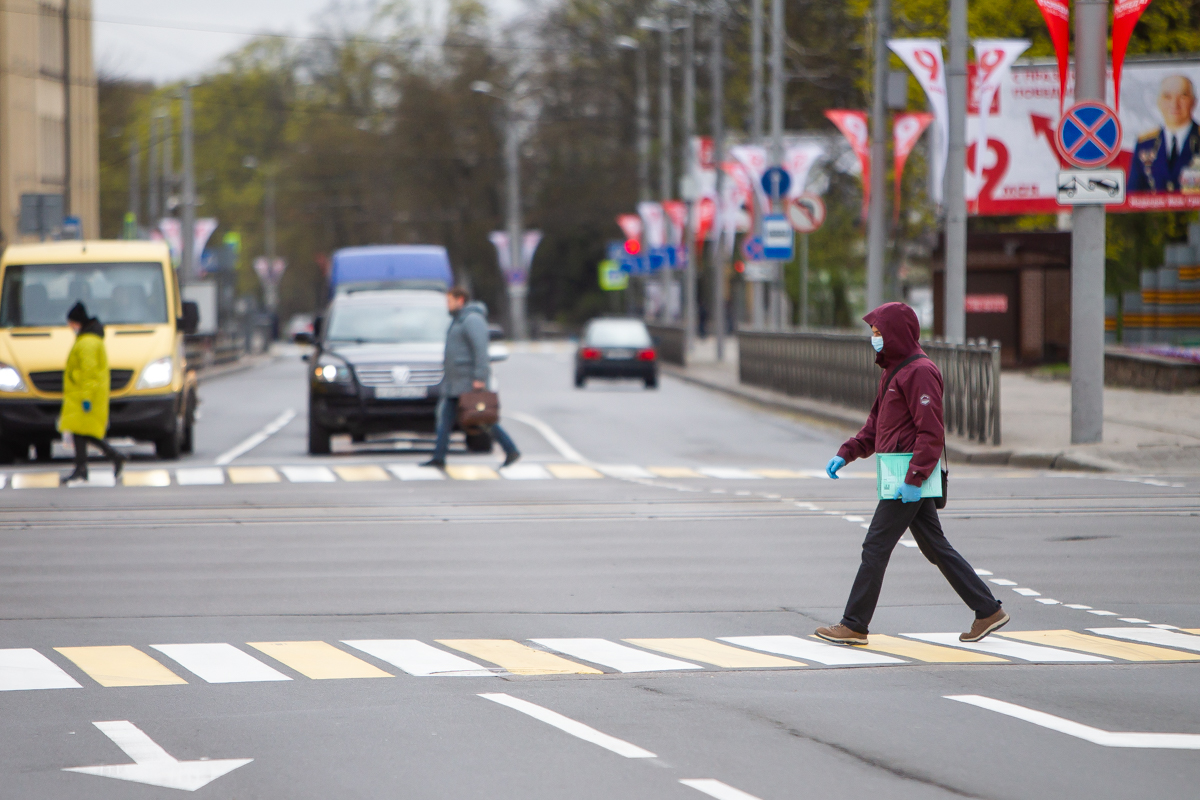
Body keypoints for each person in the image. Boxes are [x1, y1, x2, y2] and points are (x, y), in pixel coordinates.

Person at [815, 302, 1008, 646]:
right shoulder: (893, 370)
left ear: (897, 334)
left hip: (907, 479)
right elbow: (876, 426)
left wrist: (914, 479)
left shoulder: (919, 371)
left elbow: (931, 432)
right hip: (902, 478)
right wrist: (847, 453)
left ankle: (855, 624)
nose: (874, 339)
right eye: (873, 333)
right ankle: (987, 610)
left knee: (875, 546)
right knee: (935, 546)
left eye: (879, 333)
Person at [421, 288, 520, 469]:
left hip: (468, 382)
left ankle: (511, 449)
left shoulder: (472, 319)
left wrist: (480, 377)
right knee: (446, 418)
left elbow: (480, 350)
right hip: (455, 382)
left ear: (460, 300)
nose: (447, 305)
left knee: (481, 418)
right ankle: (438, 457)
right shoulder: (459, 319)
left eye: (450, 301)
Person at [60, 302, 125, 486]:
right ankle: (85, 467)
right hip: (81, 395)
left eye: (71, 323)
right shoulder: (89, 340)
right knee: (81, 433)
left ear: (78, 322)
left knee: (84, 433)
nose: (70, 327)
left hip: (83, 396)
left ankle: (109, 458)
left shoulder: (87, 343)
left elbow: (89, 373)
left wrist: (86, 398)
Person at [1129, 75, 1200, 193]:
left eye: (1183, 96)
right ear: (1159, 102)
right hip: (1153, 211)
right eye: (1167, 97)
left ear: (1194, 101)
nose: (1174, 104)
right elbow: (1132, 195)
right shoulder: (1145, 144)